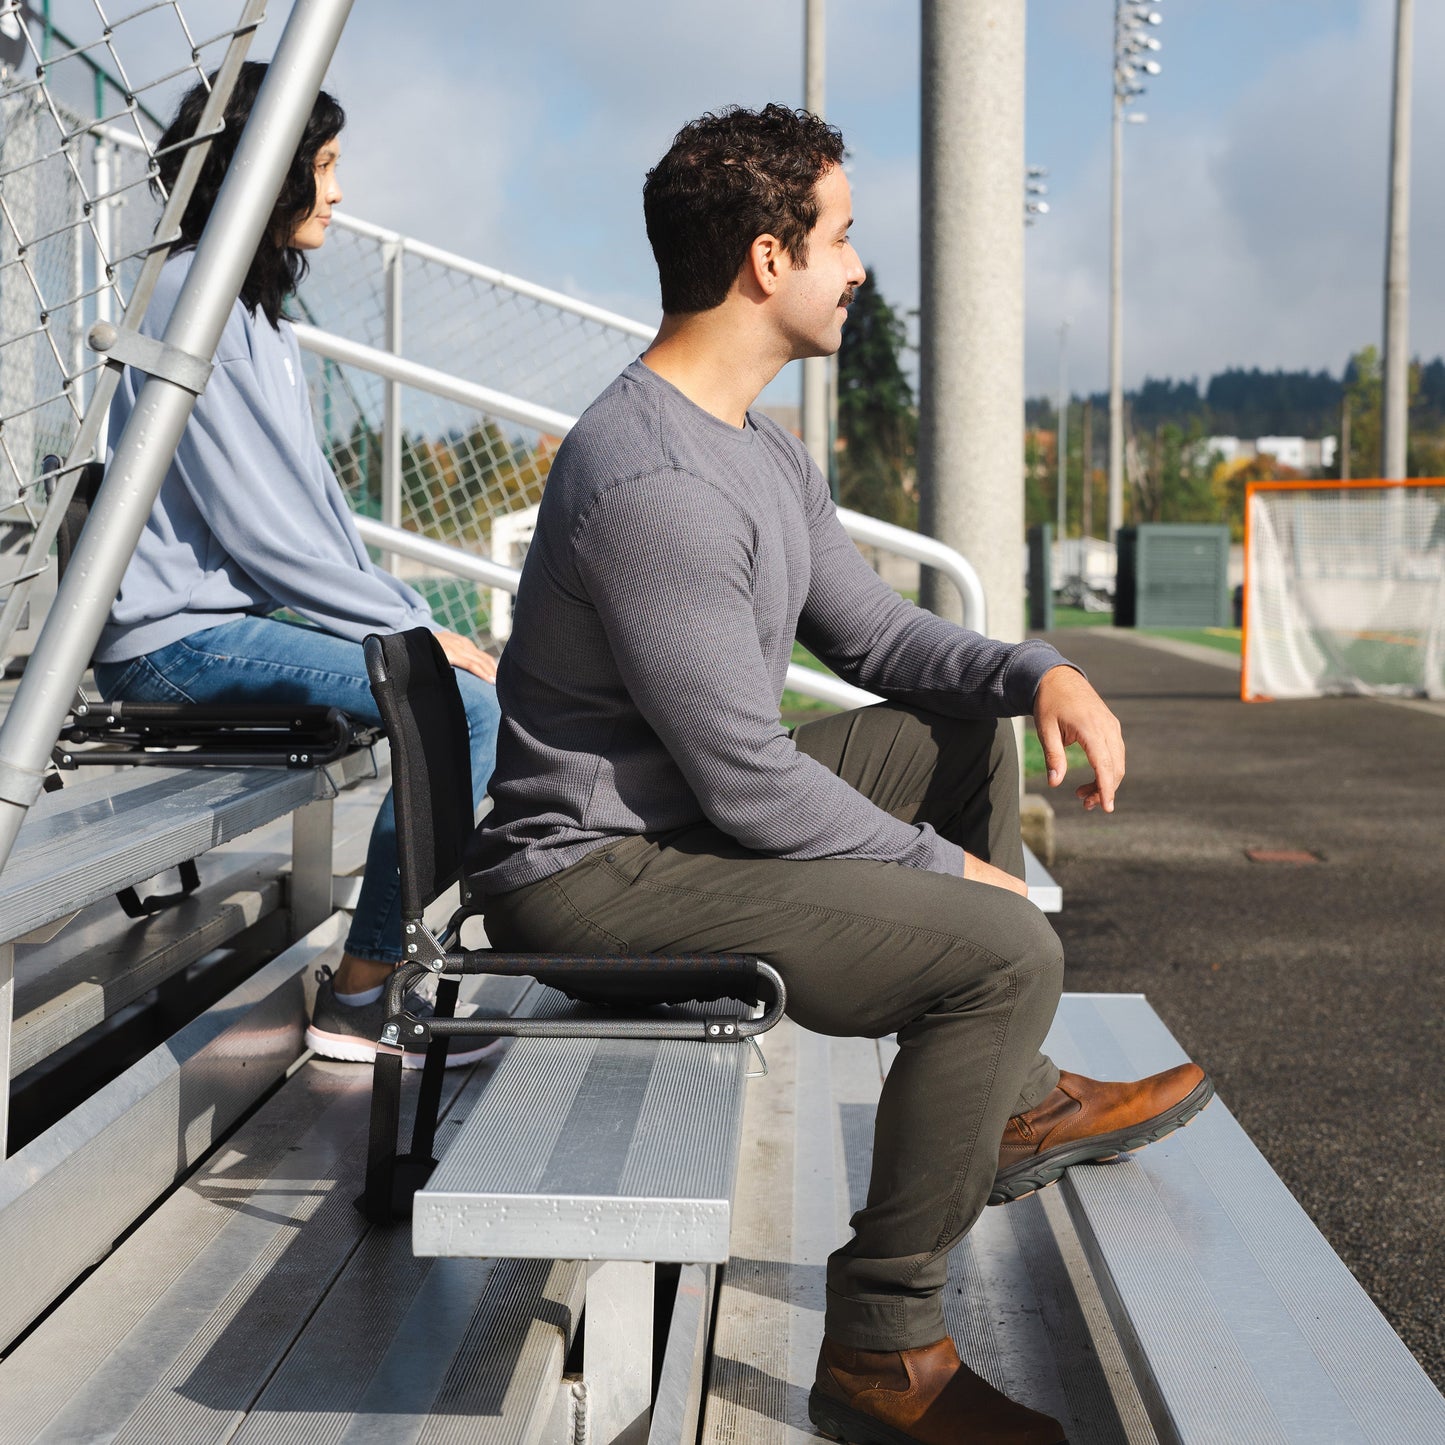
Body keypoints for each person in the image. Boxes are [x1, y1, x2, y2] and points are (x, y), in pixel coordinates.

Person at [468, 105, 1213, 1444]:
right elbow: (750, 785)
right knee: (1003, 949)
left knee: (963, 729)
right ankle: (883, 1347)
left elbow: (876, 639)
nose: (859, 268)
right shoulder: (654, 480)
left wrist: (1037, 671)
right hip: (593, 873)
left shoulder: (754, 443)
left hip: (671, 820)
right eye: (841, 237)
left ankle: (1008, 1103)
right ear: (767, 259)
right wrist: (954, 872)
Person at [93, 63, 500, 1069]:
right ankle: (363, 994)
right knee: (462, 707)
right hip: (172, 645)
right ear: (268, 172)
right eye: (323, 164)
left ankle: (393, 969)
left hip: (217, 623)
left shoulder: (257, 315)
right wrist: (412, 636)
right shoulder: (195, 300)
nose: (339, 190)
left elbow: (315, 515)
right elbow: (264, 536)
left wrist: (411, 618)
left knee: (467, 683)